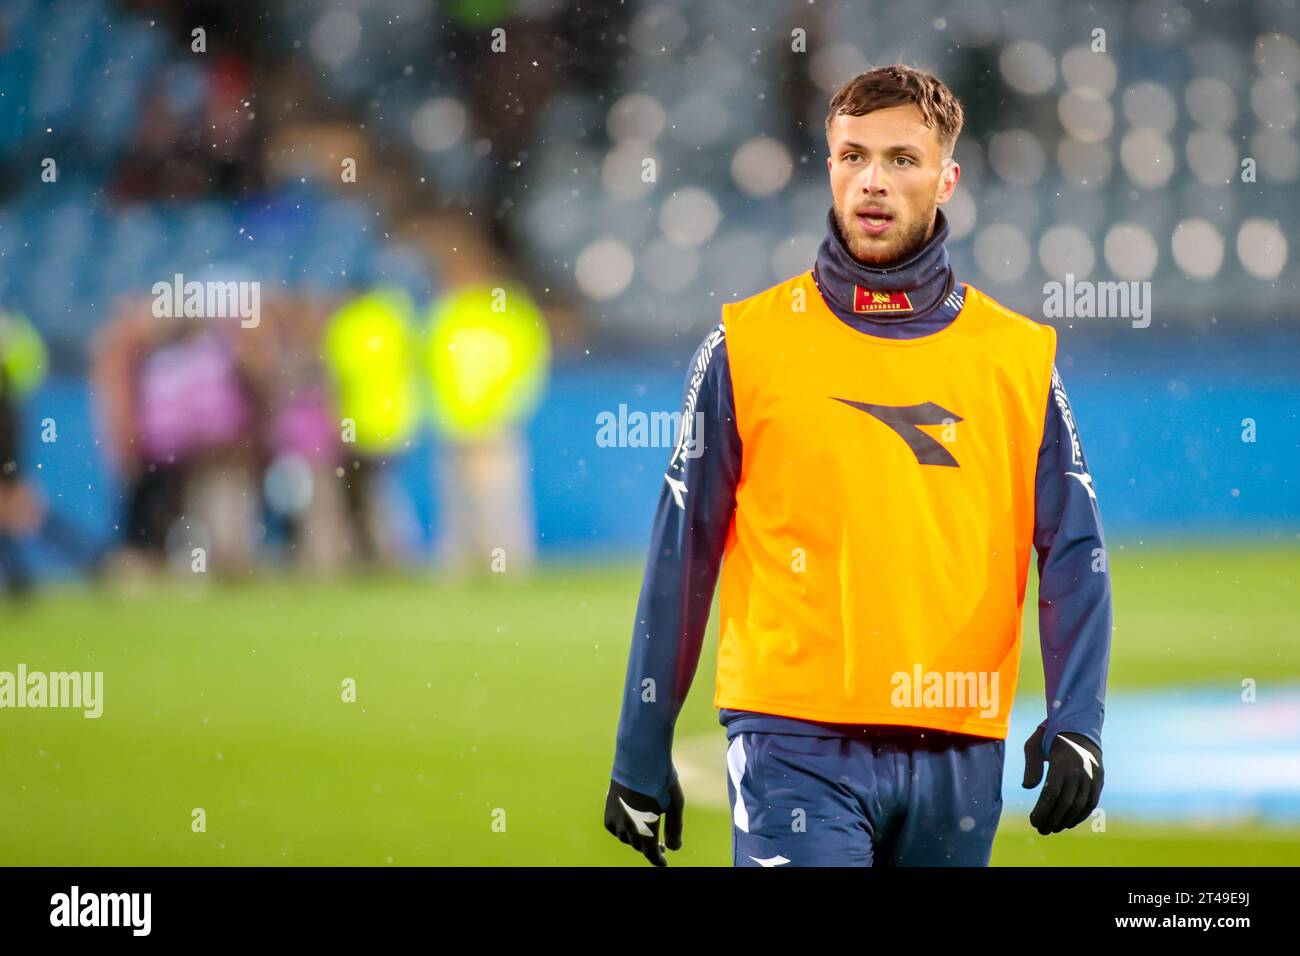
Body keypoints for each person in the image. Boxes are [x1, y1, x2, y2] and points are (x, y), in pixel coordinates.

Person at [604, 65, 1112, 867]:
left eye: (902, 160)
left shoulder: (1018, 359)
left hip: (959, 743)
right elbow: (683, 555)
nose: (873, 182)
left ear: (947, 178)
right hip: (790, 742)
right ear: (830, 165)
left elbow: (1075, 551)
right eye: (852, 156)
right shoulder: (746, 346)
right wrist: (642, 743)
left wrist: (1077, 716)